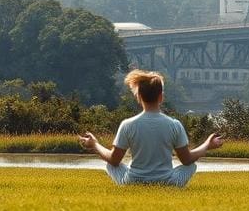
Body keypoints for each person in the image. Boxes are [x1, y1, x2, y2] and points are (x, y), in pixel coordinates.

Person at [78, 69, 224, 187]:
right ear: (161, 97)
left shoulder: (127, 124)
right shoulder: (174, 125)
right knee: (191, 166)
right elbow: (186, 160)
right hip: (167, 182)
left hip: (133, 182)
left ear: (139, 97)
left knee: (110, 166)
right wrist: (207, 145)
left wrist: (95, 145)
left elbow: (114, 160)